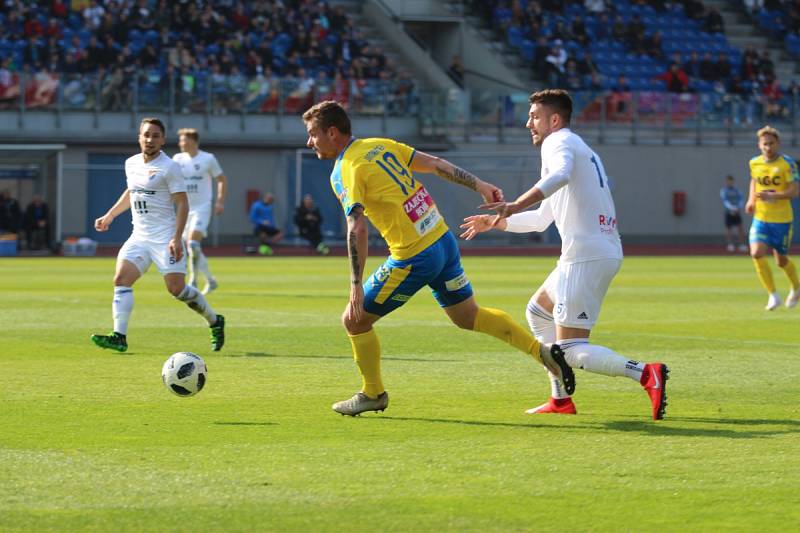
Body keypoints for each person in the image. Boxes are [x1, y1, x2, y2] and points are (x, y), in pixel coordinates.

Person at [301, 100, 574, 417]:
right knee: (467, 316)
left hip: (414, 256)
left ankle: (373, 393)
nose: (310, 142)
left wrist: (355, 284)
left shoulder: (346, 169)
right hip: (443, 242)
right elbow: (435, 164)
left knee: (354, 318)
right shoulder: (380, 145)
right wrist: (480, 184)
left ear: (332, 132)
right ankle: (543, 354)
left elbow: (357, 228)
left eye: (313, 134)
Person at [460, 89, 669, 421]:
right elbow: (544, 217)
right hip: (592, 251)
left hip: (585, 256)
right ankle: (560, 399)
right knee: (537, 313)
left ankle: (645, 373)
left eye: (534, 116)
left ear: (553, 120)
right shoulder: (575, 145)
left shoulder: (557, 143)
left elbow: (560, 176)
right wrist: (499, 222)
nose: (528, 122)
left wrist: (513, 204)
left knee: (570, 349)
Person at [90, 117, 225, 353]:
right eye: (146, 135)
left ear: (162, 140)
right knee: (121, 279)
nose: (150, 139)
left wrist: (176, 237)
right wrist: (110, 215)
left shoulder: (170, 167)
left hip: (165, 238)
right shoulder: (131, 163)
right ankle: (119, 336)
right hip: (139, 236)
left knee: (177, 289)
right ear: (139, 138)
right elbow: (131, 192)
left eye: (155, 135)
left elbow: (182, 204)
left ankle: (215, 321)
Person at [745, 125, 800, 310]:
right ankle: (773, 295)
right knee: (756, 253)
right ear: (759, 145)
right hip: (761, 218)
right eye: (764, 144)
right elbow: (754, 181)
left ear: (778, 144)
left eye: (771, 143)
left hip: (782, 220)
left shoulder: (787, 164)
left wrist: (773, 196)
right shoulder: (754, 163)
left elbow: (794, 191)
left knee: (781, 261)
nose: (768, 147)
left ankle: (796, 287)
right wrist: (751, 200)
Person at [172, 128, 228, 295]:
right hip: (184, 208)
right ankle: (210, 280)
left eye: (184, 140)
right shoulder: (177, 159)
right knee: (191, 247)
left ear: (194, 141)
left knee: (193, 243)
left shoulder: (208, 159)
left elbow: (222, 180)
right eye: (180, 141)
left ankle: (193, 281)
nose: (181, 144)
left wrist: (219, 202)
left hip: (202, 207)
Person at [720, 175, 747, 253]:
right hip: (728, 212)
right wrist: (732, 208)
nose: (730, 182)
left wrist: (738, 207)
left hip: (737, 212)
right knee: (728, 229)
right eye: (728, 181)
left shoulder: (736, 190)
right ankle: (730, 244)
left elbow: (741, 199)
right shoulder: (724, 190)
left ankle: (742, 245)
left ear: (733, 181)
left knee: (740, 228)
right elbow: (725, 201)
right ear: (726, 182)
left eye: (731, 181)